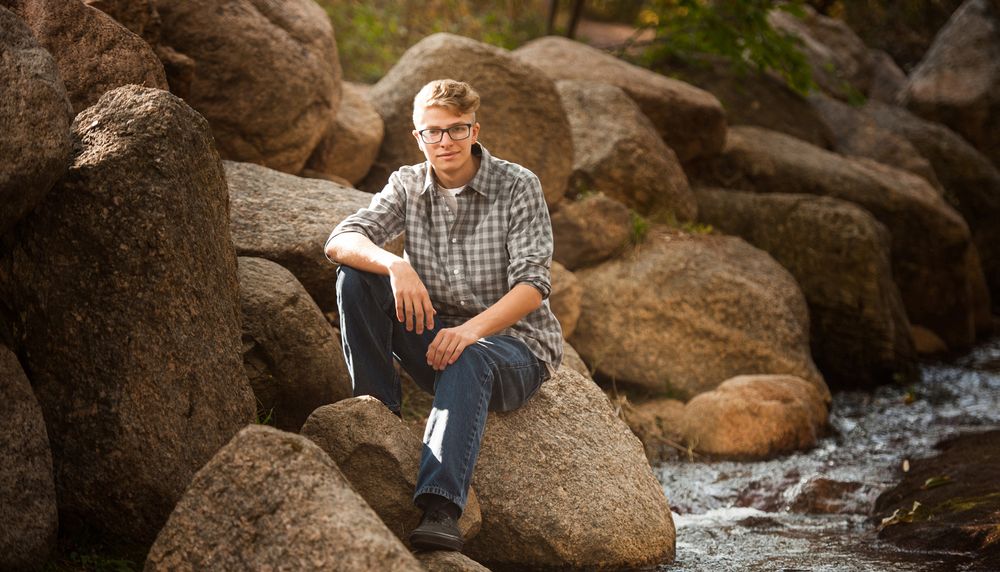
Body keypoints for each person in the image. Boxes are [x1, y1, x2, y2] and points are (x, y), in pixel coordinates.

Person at [324, 79, 563, 552]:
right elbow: (340, 240)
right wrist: (396, 264)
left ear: (475, 130)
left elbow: (533, 285)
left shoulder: (518, 185)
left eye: (456, 130)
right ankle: (380, 417)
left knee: (467, 356)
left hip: (513, 348)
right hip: (436, 335)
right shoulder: (407, 184)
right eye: (433, 132)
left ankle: (440, 506)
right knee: (355, 278)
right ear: (418, 137)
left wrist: (469, 333)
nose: (445, 142)